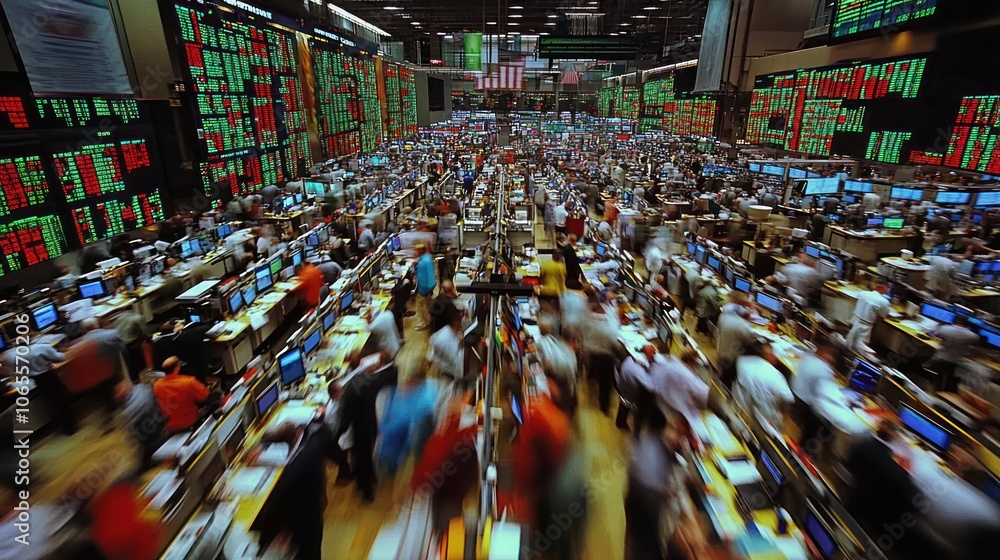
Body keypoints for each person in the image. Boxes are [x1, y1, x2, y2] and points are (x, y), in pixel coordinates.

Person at [253, 422, 344, 559]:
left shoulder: (291, 475)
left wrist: (273, 534)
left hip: (299, 527)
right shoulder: (311, 444)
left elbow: (274, 509)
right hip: (314, 513)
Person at [625, 412, 689, 560]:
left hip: (637, 512)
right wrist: (668, 492)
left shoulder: (653, 441)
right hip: (646, 520)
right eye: (682, 436)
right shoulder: (653, 457)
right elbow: (654, 495)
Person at [791, 344, 865, 454]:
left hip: (797, 400)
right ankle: (815, 452)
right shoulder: (824, 369)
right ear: (825, 353)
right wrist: (846, 399)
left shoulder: (807, 358)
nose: (833, 360)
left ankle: (805, 446)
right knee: (831, 425)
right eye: (831, 355)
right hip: (809, 408)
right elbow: (826, 393)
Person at [2, 341, 72, 433]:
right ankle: (70, 426)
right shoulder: (42, 347)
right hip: (49, 376)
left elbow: (14, 371)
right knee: (61, 399)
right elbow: (61, 357)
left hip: (34, 380)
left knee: (51, 402)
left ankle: (63, 426)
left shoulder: (10, 355)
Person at [580, 292, 620, 415]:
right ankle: (604, 406)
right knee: (605, 382)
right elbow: (614, 336)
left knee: (592, 366)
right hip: (604, 354)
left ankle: (590, 376)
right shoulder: (605, 327)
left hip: (591, 349)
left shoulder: (585, 316)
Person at [152, 356, 215, 433]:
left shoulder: (156, 386)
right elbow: (205, 398)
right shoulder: (188, 382)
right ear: (177, 367)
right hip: (191, 422)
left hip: (171, 428)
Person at [649, 349, 709, 429]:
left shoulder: (671, 363)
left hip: (661, 412)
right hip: (677, 421)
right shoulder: (688, 378)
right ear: (691, 364)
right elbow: (704, 402)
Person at [732, 353, 794, 431]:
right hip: (765, 422)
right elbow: (787, 401)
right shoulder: (779, 379)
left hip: (740, 411)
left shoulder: (744, 362)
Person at [116, 380, 166, 470]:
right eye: (117, 392)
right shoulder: (141, 389)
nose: (118, 394)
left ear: (126, 385)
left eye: (119, 390)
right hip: (150, 431)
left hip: (154, 428)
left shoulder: (141, 392)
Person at [928, 314, 980, 391]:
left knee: (938, 373)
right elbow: (975, 346)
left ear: (955, 320)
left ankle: (935, 389)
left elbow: (933, 334)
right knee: (951, 379)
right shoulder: (973, 336)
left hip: (939, 360)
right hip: (956, 364)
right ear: (967, 323)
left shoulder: (944, 329)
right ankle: (946, 393)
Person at [716, 301, 760, 388]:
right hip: (732, 358)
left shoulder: (724, 316)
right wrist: (749, 324)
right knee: (757, 352)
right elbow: (751, 341)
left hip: (721, 350)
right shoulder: (742, 326)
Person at [615, 345, 656, 433]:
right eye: (652, 356)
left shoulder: (630, 359)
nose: (652, 359)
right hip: (628, 394)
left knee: (623, 408)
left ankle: (620, 421)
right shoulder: (639, 370)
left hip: (621, 386)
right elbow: (651, 387)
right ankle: (622, 423)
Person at [844, 278, 891, 353]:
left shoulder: (862, 293)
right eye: (888, 288)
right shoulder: (884, 302)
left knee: (848, 345)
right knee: (860, 350)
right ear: (883, 287)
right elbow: (883, 315)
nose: (888, 290)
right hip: (864, 328)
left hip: (853, 321)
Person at [428, 314, 467, 386]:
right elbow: (460, 368)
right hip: (449, 378)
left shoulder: (446, 331)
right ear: (457, 324)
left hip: (445, 370)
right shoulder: (445, 341)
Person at [414, 243, 437, 331]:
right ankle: (429, 321)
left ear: (421, 250)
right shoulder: (428, 257)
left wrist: (423, 291)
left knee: (421, 306)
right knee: (428, 306)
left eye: (417, 250)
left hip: (424, 289)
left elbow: (422, 279)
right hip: (431, 287)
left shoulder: (422, 263)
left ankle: (425, 323)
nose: (415, 252)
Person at [390, 271, 414, 339]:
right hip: (401, 306)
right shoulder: (404, 283)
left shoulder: (398, 289)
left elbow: (393, 292)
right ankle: (400, 335)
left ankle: (399, 335)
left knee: (396, 316)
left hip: (398, 308)